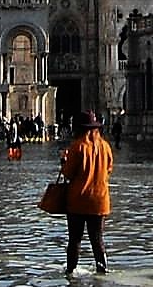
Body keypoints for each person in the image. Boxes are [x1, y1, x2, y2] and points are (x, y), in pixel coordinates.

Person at [58, 110, 114, 279]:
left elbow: (67, 173)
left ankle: (70, 273)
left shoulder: (77, 147)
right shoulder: (105, 146)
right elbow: (109, 169)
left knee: (75, 239)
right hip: (100, 200)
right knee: (97, 239)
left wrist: (63, 161)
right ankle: (102, 271)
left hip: (78, 200)